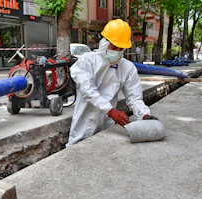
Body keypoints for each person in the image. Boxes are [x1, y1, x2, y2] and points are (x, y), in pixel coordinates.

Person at [66, 19, 158, 148]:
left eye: (121, 49)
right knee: (76, 151)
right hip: (83, 122)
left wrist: (144, 114)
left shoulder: (127, 68)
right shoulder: (87, 61)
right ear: (104, 43)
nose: (117, 52)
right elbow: (88, 90)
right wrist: (112, 111)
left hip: (107, 125)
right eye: (114, 47)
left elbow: (134, 98)